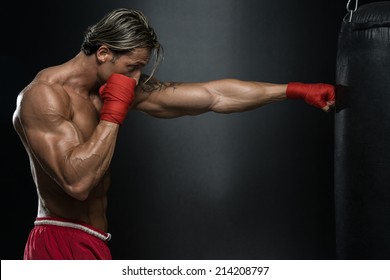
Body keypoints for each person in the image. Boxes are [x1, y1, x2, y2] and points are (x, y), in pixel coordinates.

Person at [12, 8, 335, 260]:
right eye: (132, 67)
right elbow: (77, 183)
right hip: (59, 241)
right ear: (104, 52)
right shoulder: (44, 97)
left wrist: (295, 91)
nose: (137, 79)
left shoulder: (110, 87)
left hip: (94, 239)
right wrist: (114, 112)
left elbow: (214, 95)